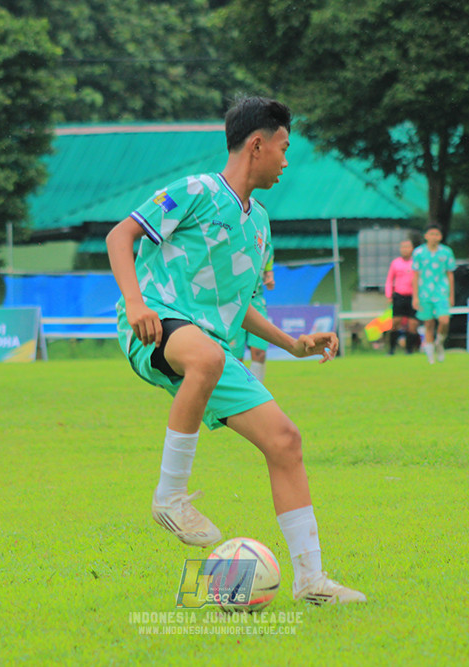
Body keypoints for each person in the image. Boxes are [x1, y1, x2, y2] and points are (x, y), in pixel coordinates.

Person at [105, 96, 365, 605]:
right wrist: (135, 304)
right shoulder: (196, 190)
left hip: (212, 348)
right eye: (284, 148)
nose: (287, 161)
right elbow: (121, 235)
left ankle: (312, 581)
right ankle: (170, 497)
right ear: (257, 144)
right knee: (206, 357)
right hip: (155, 322)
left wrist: (292, 343)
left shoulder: (260, 223)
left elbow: (238, 303)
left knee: (286, 441)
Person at [412, 224, 456, 364]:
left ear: (441, 236)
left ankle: (440, 342)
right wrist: (415, 296)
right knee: (429, 324)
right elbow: (415, 275)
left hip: (441, 291)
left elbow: (450, 274)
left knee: (444, 320)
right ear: (426, 236)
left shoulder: (446, 252)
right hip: (424, 292)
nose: (434, 237)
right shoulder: (418, 253)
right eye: (431, 234)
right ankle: (430, 357)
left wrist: (451, 295)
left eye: (436, 234)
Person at [385, 238, 419, 354]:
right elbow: (390, 279)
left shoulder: (416, 263)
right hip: (399, 296)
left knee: (413, 324)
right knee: (396, 322)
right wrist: (389, 295)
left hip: (413, 297)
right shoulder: (395, 263)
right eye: (403, 247)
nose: (405, 250)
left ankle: (409, 350)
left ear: (412, 249)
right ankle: (391, 349)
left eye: (408, 247)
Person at [245, 247, 275, 381]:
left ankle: (255, 393)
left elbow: (268, 272)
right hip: (234, 300)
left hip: (256, 300)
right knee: (234, 357)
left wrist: (269, 279)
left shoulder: (265, 240)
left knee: (259, 352)